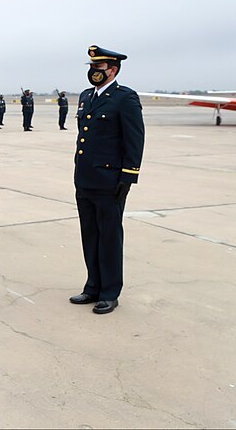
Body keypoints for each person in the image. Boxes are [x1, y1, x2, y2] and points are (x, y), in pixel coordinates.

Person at [70, 45, 145, 315]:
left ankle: (110, 292)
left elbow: (134, 139)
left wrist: (129, 176)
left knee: (110, 237)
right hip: (85, 178)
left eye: (98, 69)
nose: (93, 73)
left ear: (112, 70)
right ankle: (92, 287)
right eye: (91, 68)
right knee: (90, 234)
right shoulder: (86, 96)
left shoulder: (124, 98)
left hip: (110, 181)